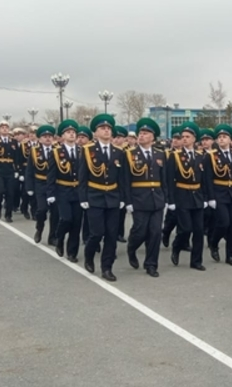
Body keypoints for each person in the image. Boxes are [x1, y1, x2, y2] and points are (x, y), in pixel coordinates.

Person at [79, 114, 127, 281]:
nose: (106, 131)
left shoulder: (118, 152)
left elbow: (122, 177)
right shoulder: (87, 150)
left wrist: (122, 198)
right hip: (95, 196)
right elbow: (82, 176)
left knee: (112, 234)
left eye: (108, 129)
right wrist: (83, 197)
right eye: (102, 128)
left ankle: (107, 268)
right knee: (96, 233)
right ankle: (89, 255)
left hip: (113, 196)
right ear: (96, 132)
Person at [124, 118, 168, 277]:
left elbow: (164, 179)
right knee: (140, 231)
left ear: (153, 137)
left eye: (146, 133)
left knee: (156, 232)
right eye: (140, 133)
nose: (142, 136)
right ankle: (132, 247)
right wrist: (128, 201)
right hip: (138, 198)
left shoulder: (160, 154)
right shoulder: (129, 154)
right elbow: (126, 179)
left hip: (157, 198)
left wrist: (166, 198)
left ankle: (151, 264)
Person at [166, 122, 209, 271]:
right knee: (185, 228)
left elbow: (204, 179)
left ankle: (196, 261)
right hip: (182, 195)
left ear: (194, 139)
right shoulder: (175, 156)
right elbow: (169, 179)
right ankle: (177, 246)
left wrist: (206, 198)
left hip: (197, 196)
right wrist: (170, 200)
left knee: (198, 230)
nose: (184, 139)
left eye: (187, 137)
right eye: (182, 136)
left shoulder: (201, 156)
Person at [207, 124, 232, 266]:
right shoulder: (211, 156)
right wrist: (210, 197)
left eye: (225, 137)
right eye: (219, 137)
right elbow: (208, 178)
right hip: (219, 193)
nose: (222, 139)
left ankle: (230, 255)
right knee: (224, 222)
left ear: (231, 140)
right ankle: (214, 242)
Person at [47, 120, 83, 262]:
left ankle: (72, 252)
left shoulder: (82, 151)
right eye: (68, 132)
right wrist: (50, 193)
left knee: (77, 223)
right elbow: (51, 174)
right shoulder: (56, 152)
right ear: (62, 136)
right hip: (62, 190)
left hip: (78, 191)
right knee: (66, 219)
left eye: (74, 132)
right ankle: (60, 237)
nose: (72, 134)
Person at [25, 125, 59, 245]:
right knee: (42, 210)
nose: (48, 139)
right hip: (40, 183)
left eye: (50, 136)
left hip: (55, 185)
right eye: (45, 137)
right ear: (40, 139)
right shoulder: (34, 151)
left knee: (55, 212)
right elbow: (29, 170)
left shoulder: (58, 150)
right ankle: (39, 229)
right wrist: (29, 187)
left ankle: (52, 236)